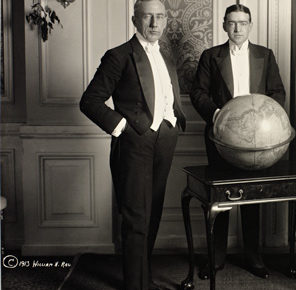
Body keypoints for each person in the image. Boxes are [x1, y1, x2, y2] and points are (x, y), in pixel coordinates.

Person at [80, 1, 186, 289]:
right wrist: (122, 128)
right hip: (135, 143)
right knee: (136, 219)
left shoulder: (166, 55)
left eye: (160, 16)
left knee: (151, 216)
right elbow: (89, 101)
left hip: (165, 139)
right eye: (148, 16)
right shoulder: (118, 56)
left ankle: (143, 281)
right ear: (134, 20)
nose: (155, 22)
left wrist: (174, 121)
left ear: (166, 21)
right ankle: (134, 286)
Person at [190, 4, 285, 280]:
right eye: (232, 23)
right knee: (220, 198)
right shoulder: (211, 56)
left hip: (259, 141)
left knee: (253, 199)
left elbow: (278, 92)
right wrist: (218, 114)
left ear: (250, 25)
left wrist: (265, 117)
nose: (237, 28)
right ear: (224, 25)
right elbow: (198, 93)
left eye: (242, 23)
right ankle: (216, 257)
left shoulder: (265, 56)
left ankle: (253, 257)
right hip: (222, 138)